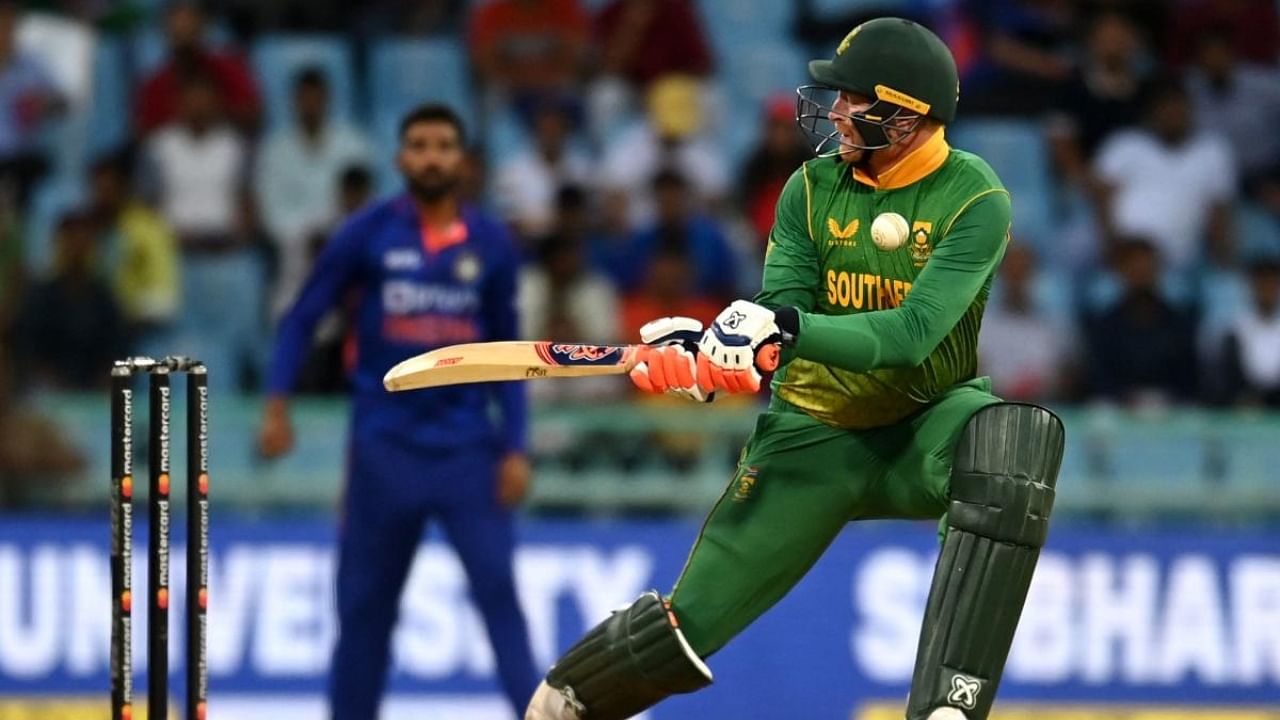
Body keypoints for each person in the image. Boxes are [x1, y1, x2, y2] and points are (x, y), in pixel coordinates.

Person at [526, 18, 1066, 720]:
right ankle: (563, 700)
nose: (834, 111)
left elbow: (910, 336)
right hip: (813, 435)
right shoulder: (809, 189)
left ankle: (948, 708)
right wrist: (719, 351)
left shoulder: (975, 198)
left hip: (922, 425)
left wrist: (785, 326)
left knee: (1012, 450)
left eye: (851, 99)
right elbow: (779, 311)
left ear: (905, 115)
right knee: (687, 625)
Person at [258, 104, 539, 718]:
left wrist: (515, 446)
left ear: (463, 160)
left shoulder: (491, 243)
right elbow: (304, 315)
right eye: (419, 145)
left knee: (499, 599)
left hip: (468, 451)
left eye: (443, 145)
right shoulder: (368, 233)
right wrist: (278, 404)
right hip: (384, 451)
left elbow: (512, 353)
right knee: (364, 611)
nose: (432, 156)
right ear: (400, 159)